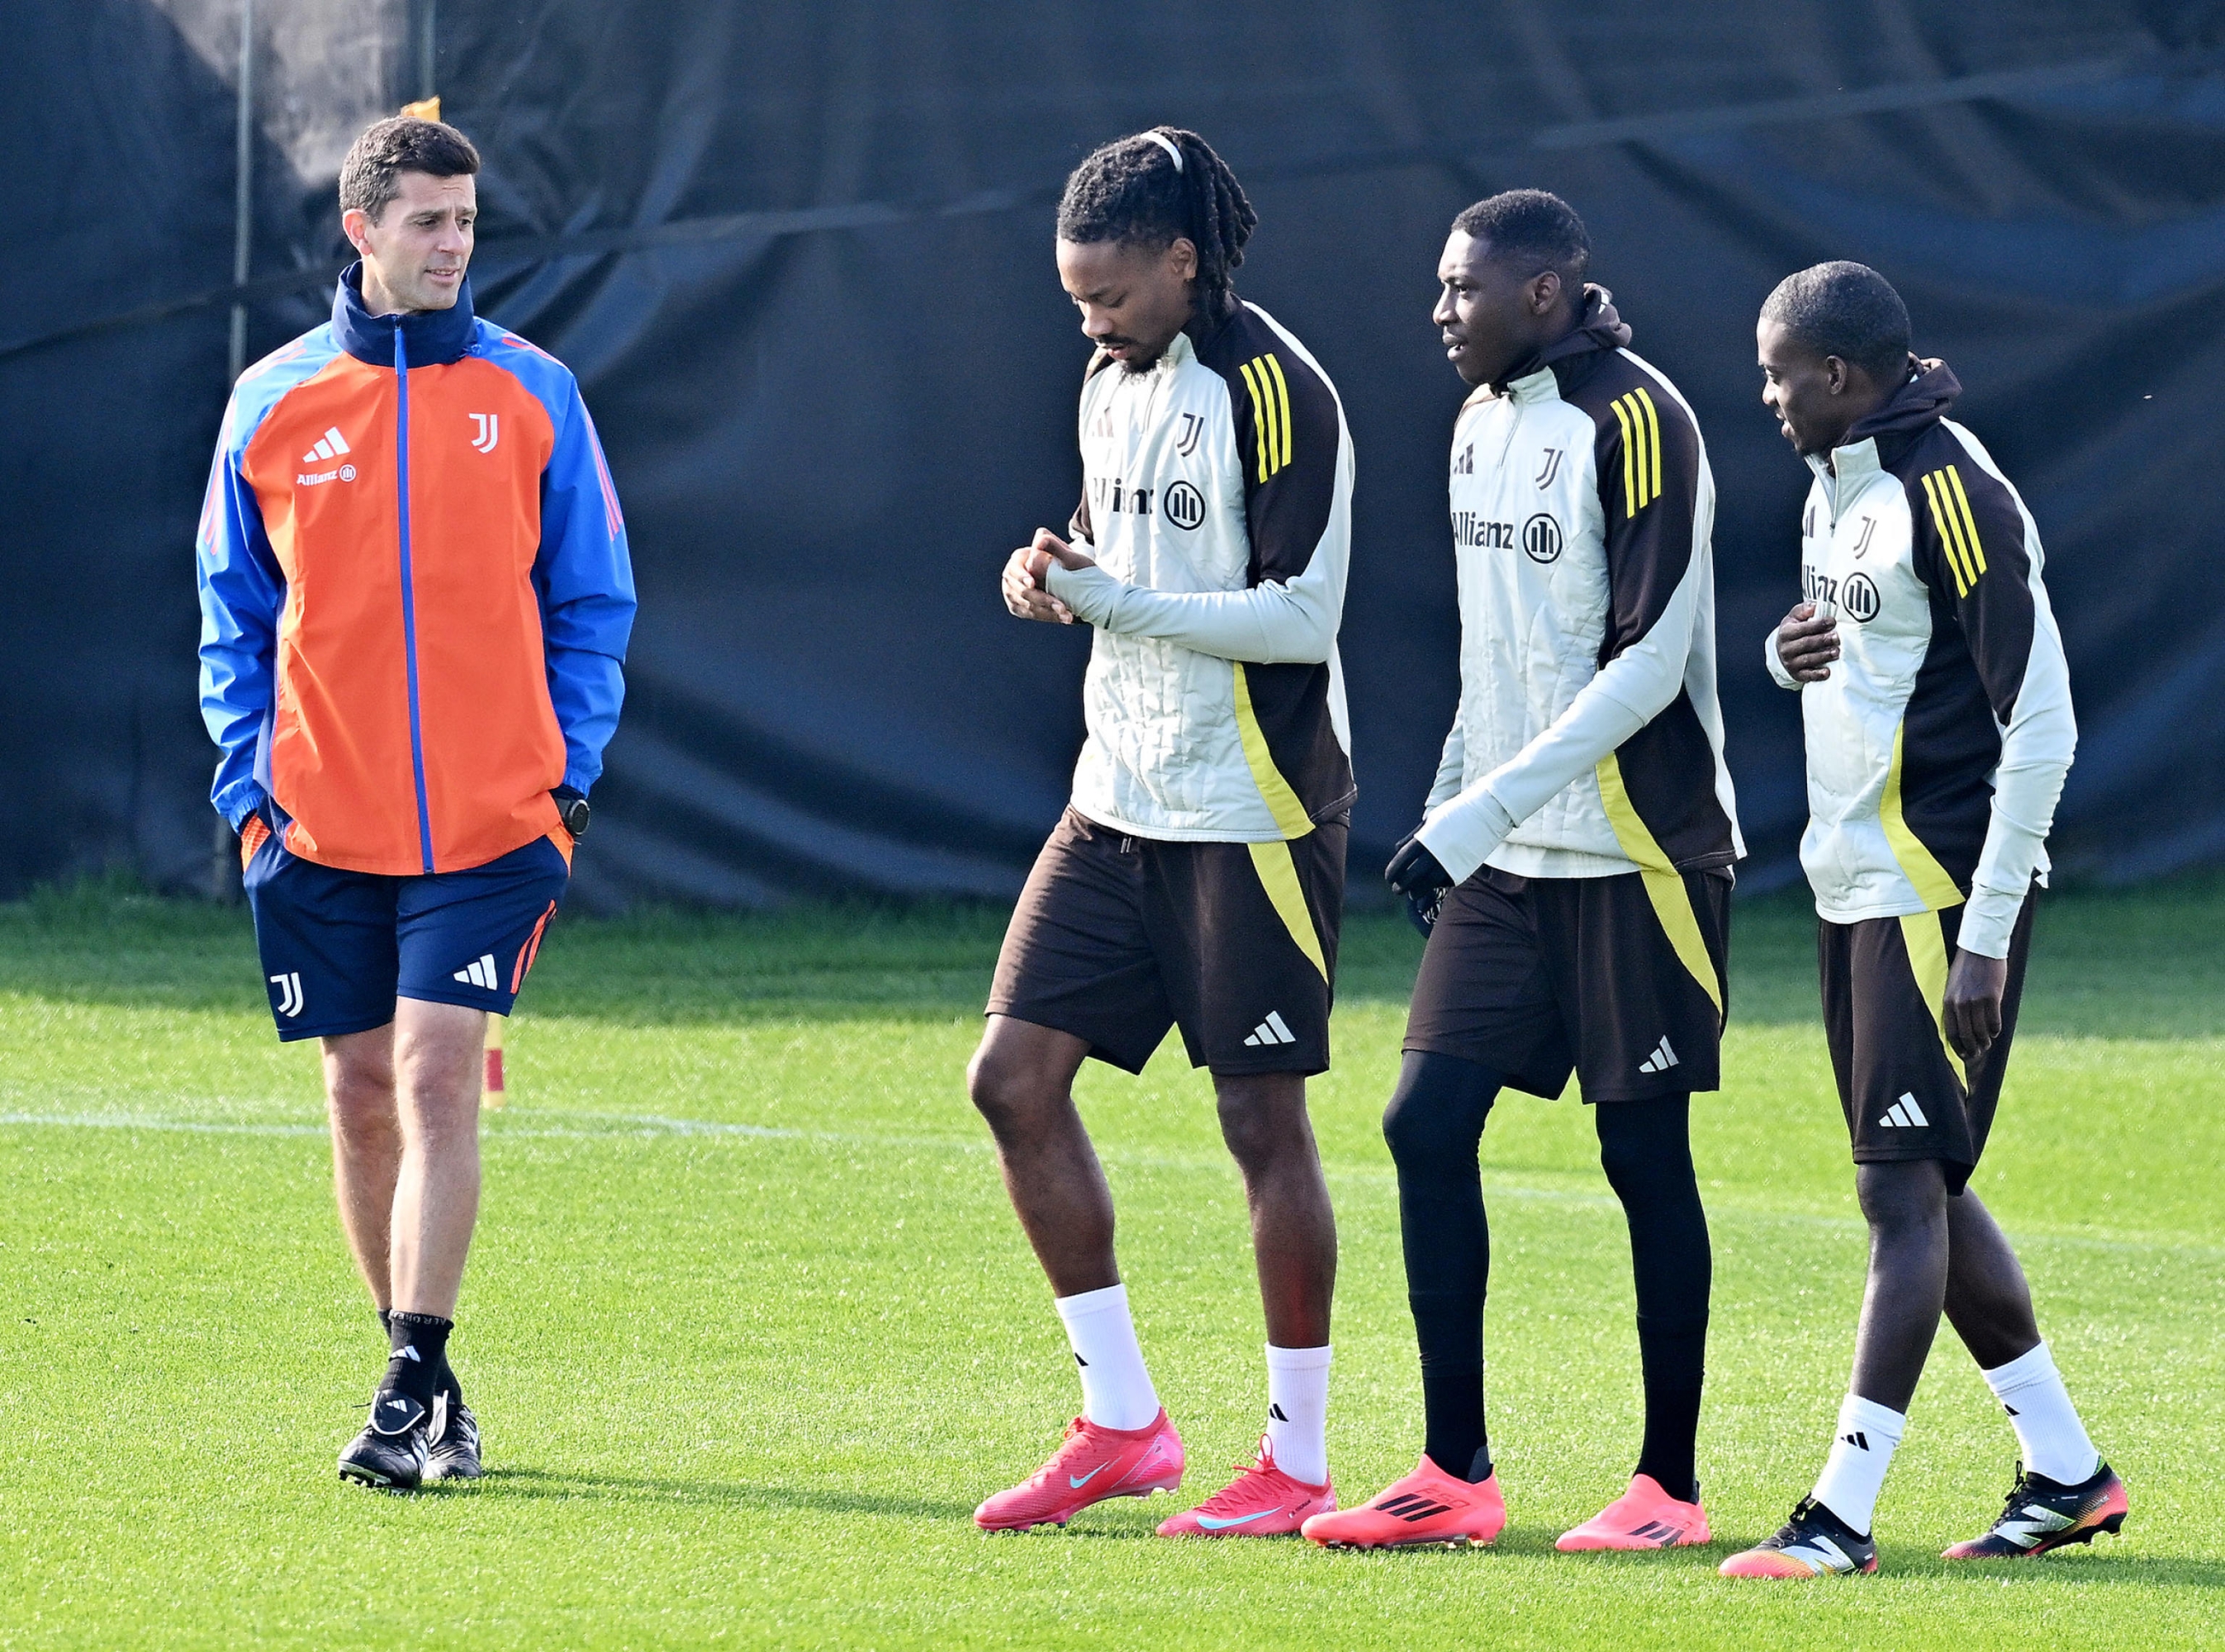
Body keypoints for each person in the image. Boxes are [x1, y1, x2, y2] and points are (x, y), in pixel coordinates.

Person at [196, 115, 636, 1489]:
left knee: (437, 1072)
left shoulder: (536, 394)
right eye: (429, 222)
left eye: (466, 221)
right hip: (319, 824)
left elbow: (591, 603)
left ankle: (399, 1388)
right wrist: (254, 799)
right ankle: (431, 1380)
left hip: (498, 824)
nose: (454, 245)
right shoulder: (272, 402)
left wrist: (564, 778)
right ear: (362, 229)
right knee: (358, 1097)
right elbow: (230, 617)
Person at [1302, 191, 1739, 1552]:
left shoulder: (1640, 421)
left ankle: (1665, 1487)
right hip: (1509, 854)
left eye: (1461, 289)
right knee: (1421, 1124)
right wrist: (1451, 807)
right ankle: (1454, 1473)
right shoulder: (1479, 420)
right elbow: (1496, 661)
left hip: (1638, 854)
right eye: (1441, 288)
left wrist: (1477, 810)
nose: (1440, 311)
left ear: (1541, 292)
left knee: (1640, 1153)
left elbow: (1645, 668)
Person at [968, 126, 1355, 1538]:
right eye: (1074, 297)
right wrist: (1049, 565)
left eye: (1111, 294)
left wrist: (1116, 601)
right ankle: (1121, 1421)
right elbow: (1103, 534)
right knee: (1010, 1082)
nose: (1089, 319)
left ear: (1183, 263)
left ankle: (1296, 1460)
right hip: (1114, 791)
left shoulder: (1278, 394)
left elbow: (1301, 616)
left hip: (1249, 803)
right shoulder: (1104, 376)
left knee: (1260, 1120)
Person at [1720, 262, 2123, 1578]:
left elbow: (2042, 723)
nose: (1767, 393)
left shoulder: (1949, 493)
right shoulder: (1835, 485)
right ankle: (2067, 1472)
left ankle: (1836, 1517)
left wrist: (1986, 929)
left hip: (1935, 892)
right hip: (1855, 883)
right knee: (1928, 1189)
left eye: (1780, 372)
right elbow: (1877, 661)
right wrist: (1794, 653)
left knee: (1898, 1196)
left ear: (1837, 376)